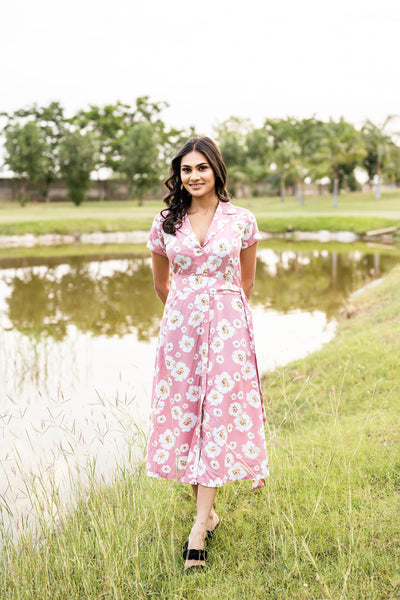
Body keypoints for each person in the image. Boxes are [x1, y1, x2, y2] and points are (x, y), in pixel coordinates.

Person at [146, 136, 269, 572]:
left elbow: (246, 283)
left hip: (228, 326)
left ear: (215, 169)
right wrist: (188, 314)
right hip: (181, 331)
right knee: (186, 416)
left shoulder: (242, 220)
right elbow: (162, 285)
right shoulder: (165, 222)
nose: (193, 176)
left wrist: (220, 314)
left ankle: (199, 529)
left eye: (201, 168)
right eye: (185, 170)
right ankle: (207, 510)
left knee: (216, 414)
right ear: (178, 175)